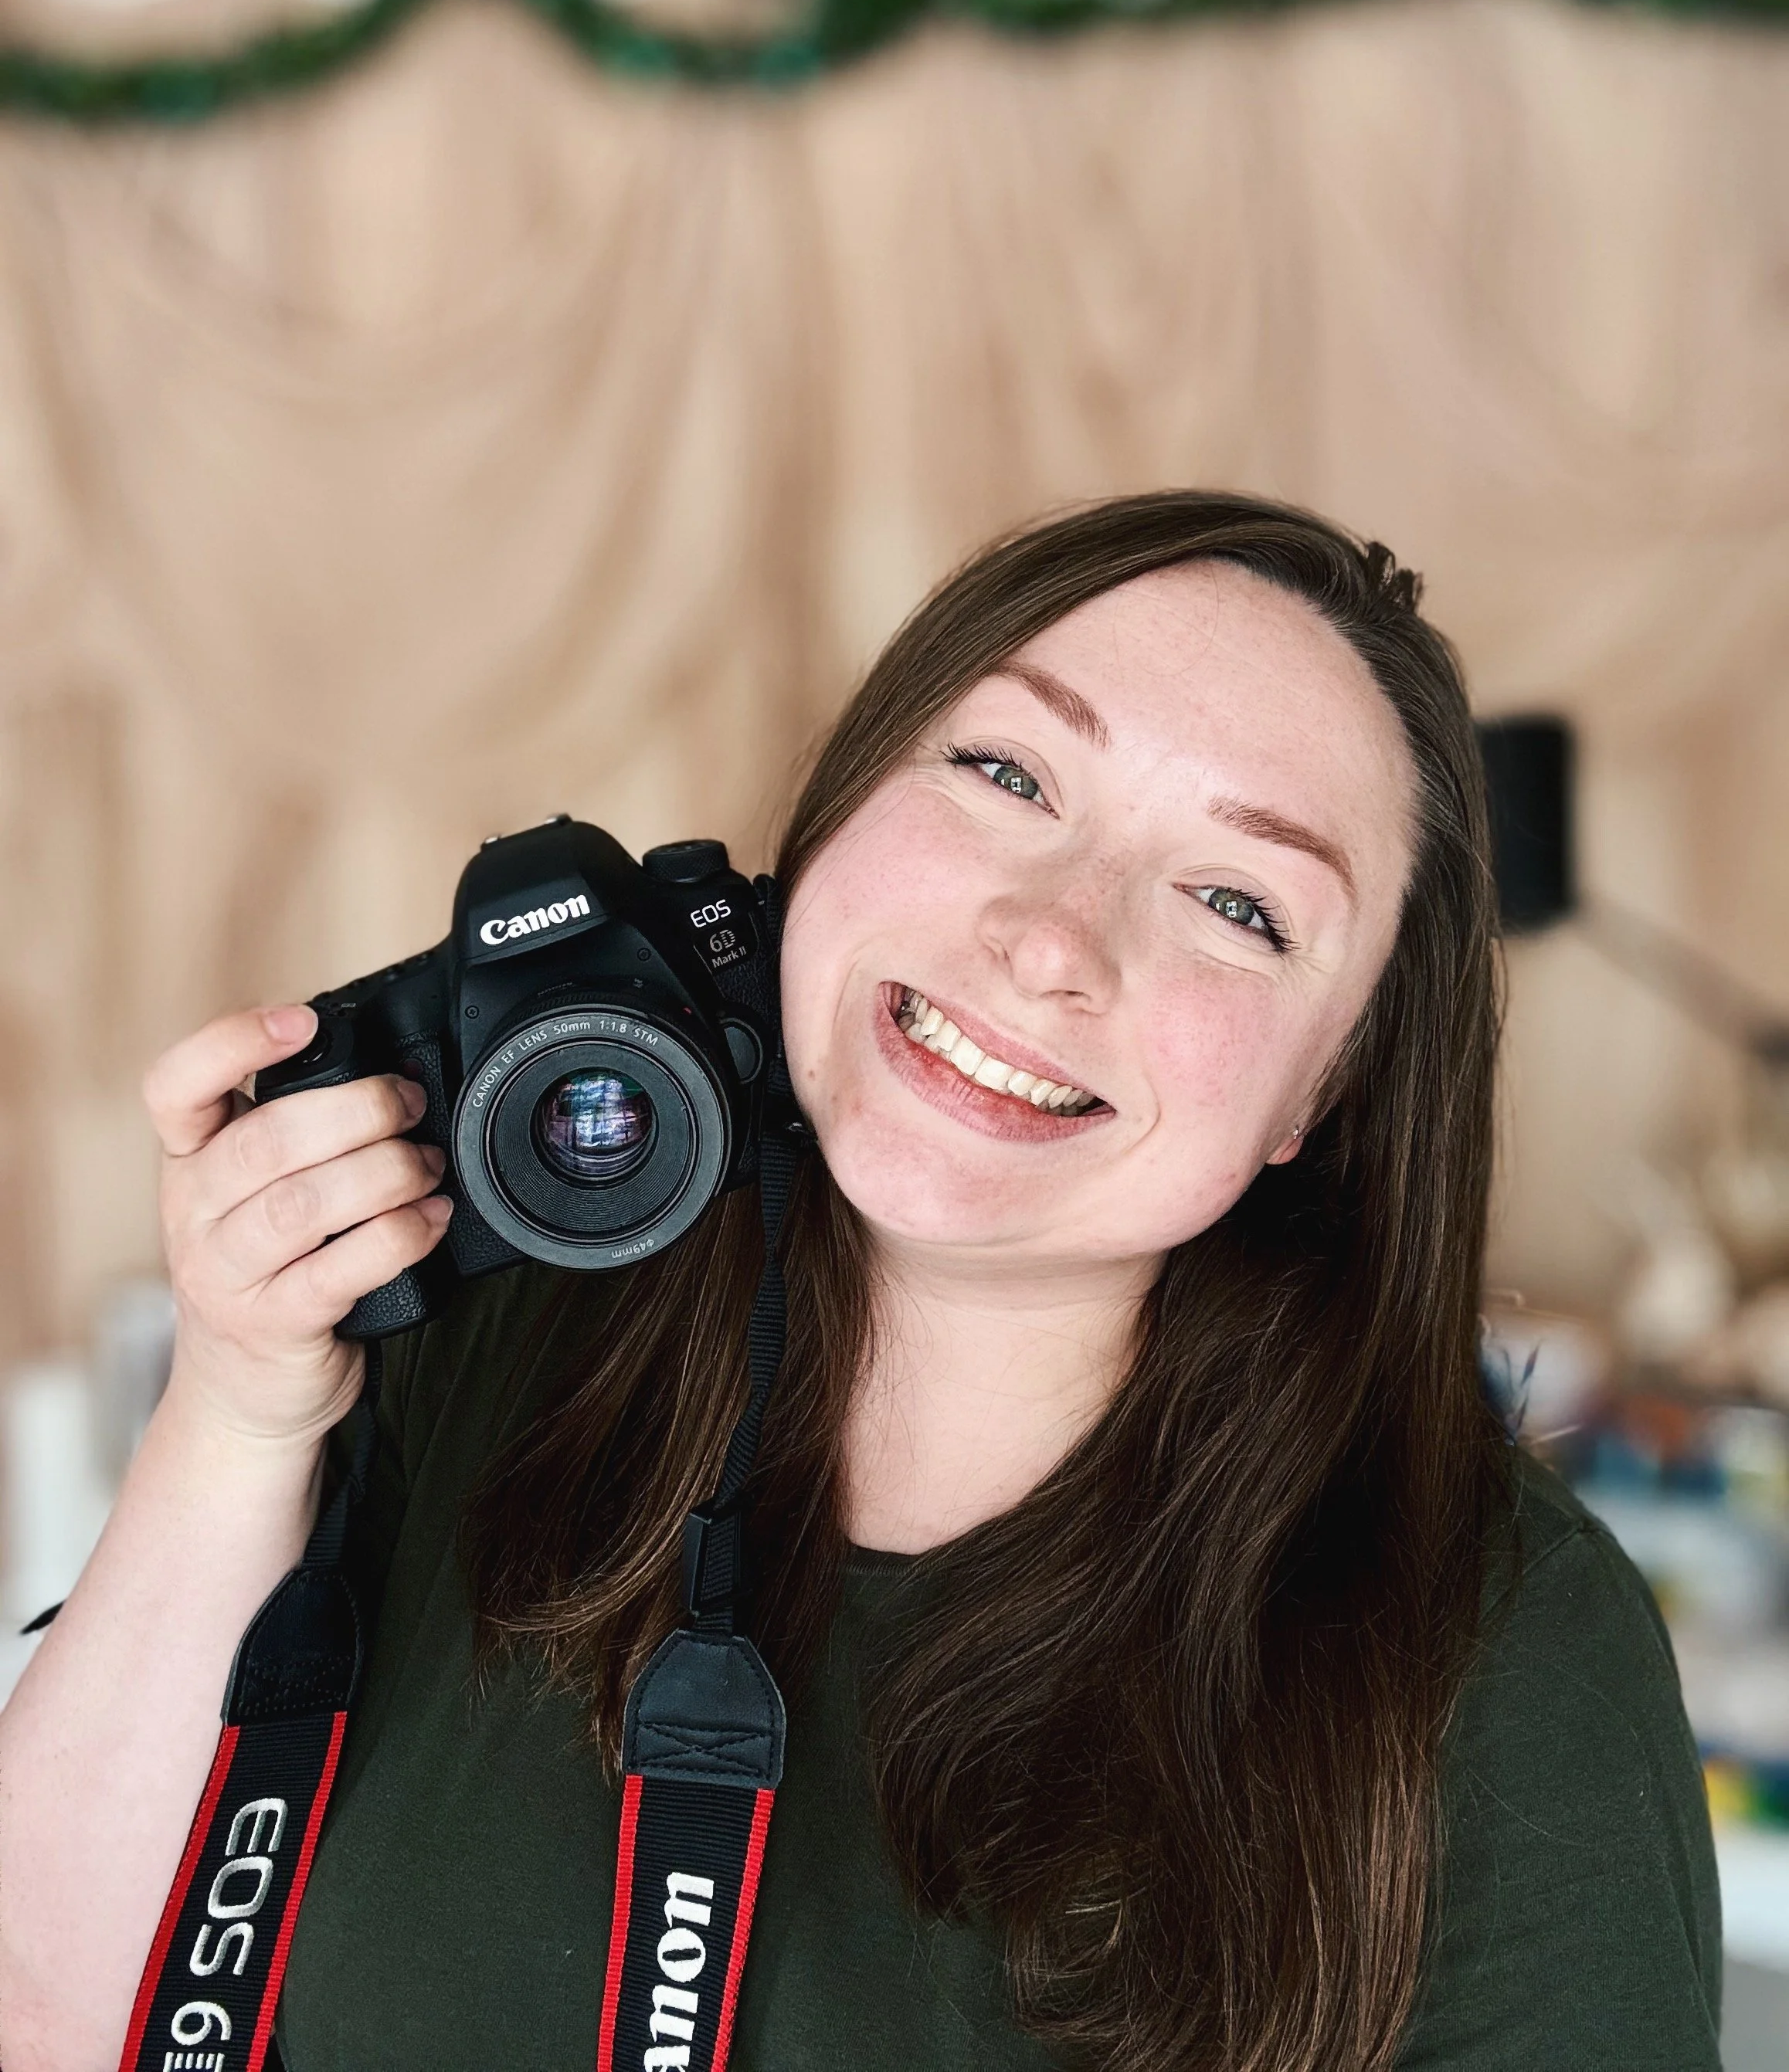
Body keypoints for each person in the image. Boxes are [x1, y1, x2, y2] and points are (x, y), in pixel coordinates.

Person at [0, 493, 1719, 2072]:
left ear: (1322, 1097)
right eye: (1011, 775)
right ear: (835, 810)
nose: (1054, 936)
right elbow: (54, 2016)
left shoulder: (1496, 1648)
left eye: (1236, 903)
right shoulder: (488, 1319)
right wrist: (237, 1406)